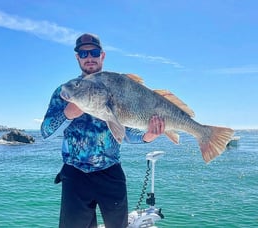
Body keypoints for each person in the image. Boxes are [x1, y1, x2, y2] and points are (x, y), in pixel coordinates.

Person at [41, 33, 165, 228]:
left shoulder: (117, 85)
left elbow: (129, 134)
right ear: (77, 57)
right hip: (75, 174)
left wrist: (149, 136)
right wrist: (67, 114)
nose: (89, 57)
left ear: (102, 55)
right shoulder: (65, 91)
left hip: (110, 173)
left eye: (94, 52)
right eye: (83, 53)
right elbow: (46, 131)